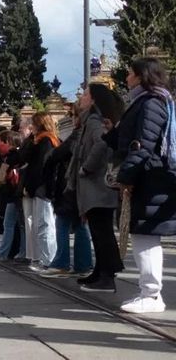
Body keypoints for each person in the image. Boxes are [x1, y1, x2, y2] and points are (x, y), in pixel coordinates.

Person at [105, 57, 176, 312]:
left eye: (130, 73)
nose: (126, 78)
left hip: (150, 178)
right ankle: (150, 293)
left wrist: (126, 177)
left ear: (141, 76)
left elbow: (143, 144)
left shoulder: (151, 103)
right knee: (143, 234)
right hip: (149, 177)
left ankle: (152, 294)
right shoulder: (145, 102)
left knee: (145, 235)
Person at [73, 83, 124, 292]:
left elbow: (102, 144)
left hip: (98, 186)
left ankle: (107, 276)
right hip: (95, 187)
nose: (81, 98)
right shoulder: (90, 120)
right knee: (97, 231)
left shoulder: (94, 121)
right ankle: (100, 271)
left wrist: (86, 167)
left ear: (93, 100)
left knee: (102, 232)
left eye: (85, 94)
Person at [41, 106, 91, 278]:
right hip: (79, 186)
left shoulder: (78, 133)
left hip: (70, 186)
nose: (72, 119)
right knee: (80, 225)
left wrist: (52, 156)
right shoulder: (85, 132)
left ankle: (61, 263)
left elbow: (57, 154)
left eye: (74, 115)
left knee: (62, 223)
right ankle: (83, 264)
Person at [22, 112, 60, 272]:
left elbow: (41, 166)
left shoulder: (46, 141)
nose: (31, 127)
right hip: (41, 188)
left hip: (43, 189)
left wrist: (33, 186)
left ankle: (48, 261)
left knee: (45, 224)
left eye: (34, 123)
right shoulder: (40, 140)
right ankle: (46, 259)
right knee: (42, 224)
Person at [0, 131, 26, 262]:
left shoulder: (9, 158)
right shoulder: (20, 155)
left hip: (11, 194)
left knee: (8, 224)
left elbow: (1, 178)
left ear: (8, 142)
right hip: (18, 193)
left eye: (0, 141)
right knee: (21, 225)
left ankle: (2, 253)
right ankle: (23, 252)